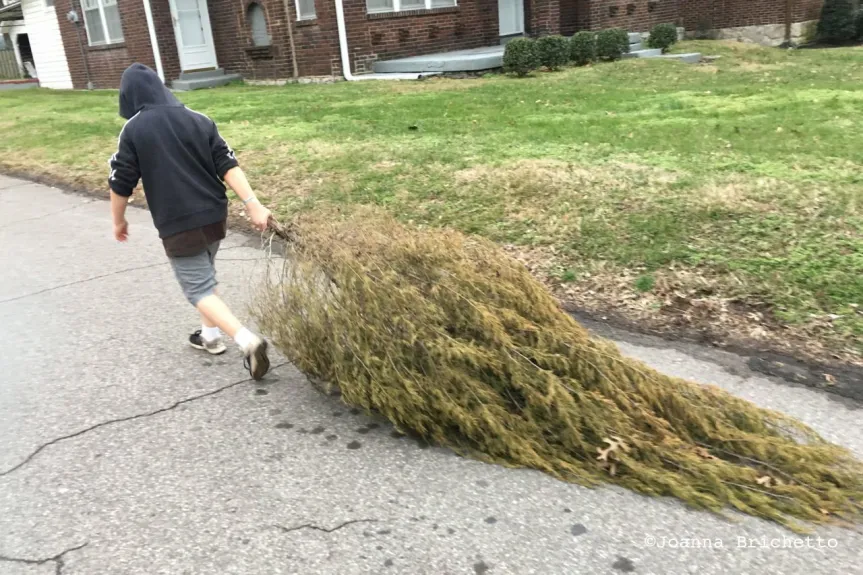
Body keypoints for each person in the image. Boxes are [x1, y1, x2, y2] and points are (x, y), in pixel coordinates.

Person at [108, 62, 271, 380]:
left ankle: (247, 341)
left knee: (198, 289)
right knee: (205, 275)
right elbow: (228, 163)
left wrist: (119, 221)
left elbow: (120, 181)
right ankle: (209, 337)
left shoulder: (134, 129)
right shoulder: (199, 119)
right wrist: (254, 205)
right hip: (214, 215)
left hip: (179, 223)